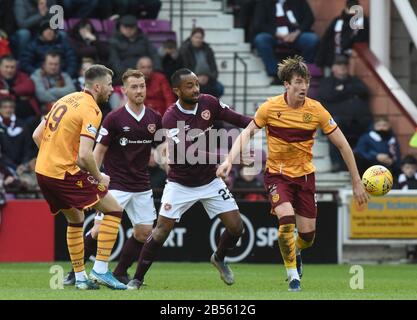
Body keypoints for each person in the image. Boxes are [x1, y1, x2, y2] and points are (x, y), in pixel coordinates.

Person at [216, 56, 369, 292]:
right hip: (277, 175)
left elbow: (343, 145)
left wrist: (356, 180)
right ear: (287, 84)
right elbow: (246, 133)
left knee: (308, 237)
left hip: (306, 177)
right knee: (286, 219)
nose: (304, 87)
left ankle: (296, 251)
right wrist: (228, 160)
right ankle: (293, 277)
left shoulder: (316, 110)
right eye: (298, 81)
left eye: (306, 81)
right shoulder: (270, 107)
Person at [127, 68, 253, 289]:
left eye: (196, 84)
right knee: (160, 231)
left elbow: (241, 119)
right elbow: (189, 153)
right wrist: (232, 158)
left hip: (210, 180)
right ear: (177, 91)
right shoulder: (170, 117)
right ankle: (137, 278)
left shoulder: (209, 103)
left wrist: (265, 121)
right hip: (180, 183)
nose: (196, 89)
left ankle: (219, 257)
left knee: (237, 228)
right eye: (189, 86)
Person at [63, 69, 163, 286]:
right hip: (115, 184)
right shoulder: (114, 118)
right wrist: (94, 181)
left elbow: (162, 149)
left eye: (142, 86)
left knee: (144, 232)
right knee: (98, 230)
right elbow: (97, 152)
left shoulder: (154, 118)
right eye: (134, 87)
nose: (139, 90)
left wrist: (167, 160)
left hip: (142, 185)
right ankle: (75, 272)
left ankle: (119, 272)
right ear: (124, 90)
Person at [32, 64, 127, 290]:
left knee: (75, 219)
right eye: (108, 85)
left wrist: (53, 155)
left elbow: (37, 135)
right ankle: (101, 269)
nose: (111, 89)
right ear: (97, 86)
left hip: (43, 171)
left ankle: (81, 278)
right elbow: (85, 156)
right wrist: (99, 177)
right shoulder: (92, 109)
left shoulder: (66, 99)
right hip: (63, 172)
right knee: (114, 210)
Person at [317, 54, 371, 171]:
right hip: (336, 121)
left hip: (358, 121)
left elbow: (364, 91)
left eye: (345, 64)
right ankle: (337, 163)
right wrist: (350, 92)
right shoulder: (327, 82)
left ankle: (366, 166)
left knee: (374, 127)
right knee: (335, 126)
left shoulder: (354, 80)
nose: (343, 67)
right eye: (339, 64)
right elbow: (328, 95)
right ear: (333, 68)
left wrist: (343, 90)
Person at [253, 0, 319, 84]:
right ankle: (276, 74)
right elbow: (259, 24)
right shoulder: (264, 2)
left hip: (295, 35)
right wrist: (276, 34)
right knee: (260, 39)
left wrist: (296, 33)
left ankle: (300, 72)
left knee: (312, 39)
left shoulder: (300, 2)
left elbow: (309, 19)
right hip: (274, 36)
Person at [108, 15, 161, 84]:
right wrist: (125, 72)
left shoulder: (143, 39)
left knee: (159, 78)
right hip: (125, 74)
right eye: (125, 27)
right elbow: (114, 60)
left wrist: (156, 69)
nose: (128, 30)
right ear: (120, 27)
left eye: (131, 27)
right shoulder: (114, 41)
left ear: (136, 28)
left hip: (145, 72)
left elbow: (154, 54)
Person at [315, 0, 369, 69]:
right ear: (346, 8)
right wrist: (320, 60)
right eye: (350, 8)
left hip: (350, 57)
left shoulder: (362, 21)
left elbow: (362, 40)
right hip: (332, 58)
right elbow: (326, 39)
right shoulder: (338, 20)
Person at [178, 27, 224, 98]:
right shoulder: (185, 50)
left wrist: (209, 78)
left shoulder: (208, 50)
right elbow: (184, 69)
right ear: (191, 37)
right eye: (196, 37)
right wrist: (196, 78)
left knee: (220, 88)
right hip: (191, 80)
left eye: (200, 38)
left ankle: (211, 106)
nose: (198, 40)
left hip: (208, 79)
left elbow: (214, 68)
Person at [0, 55, 40, 123]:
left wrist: (11, 91)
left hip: (27, 116)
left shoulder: (22, 76)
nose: (9, 70)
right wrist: (19, 96)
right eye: (6, 67)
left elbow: (30, 87)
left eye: (12, 67)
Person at [0, 97, 36, 171]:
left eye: (11, 107)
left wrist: (24, 164)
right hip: (4, 167)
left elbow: (28, 147)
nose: (8, 110)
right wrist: (14, 167)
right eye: (5, 107)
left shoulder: (22, 125)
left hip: (23, 166)